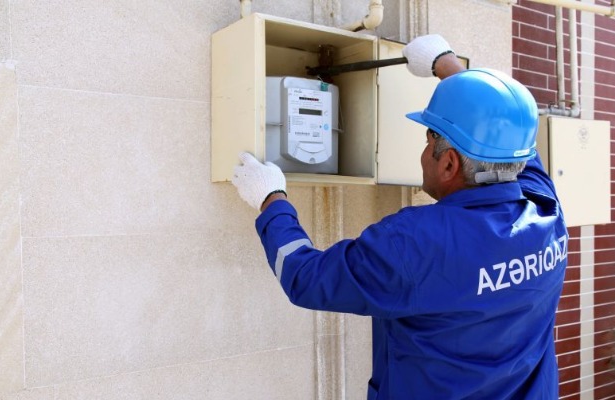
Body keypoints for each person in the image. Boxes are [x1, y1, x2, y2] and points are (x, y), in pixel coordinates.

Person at [232, 34, 568, 399]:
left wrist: (271, 200)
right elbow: (510, 137)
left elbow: (306, 278)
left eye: (428, 140)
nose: (424, 151)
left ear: (449, 163)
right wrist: (446, 64)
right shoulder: (545, 211)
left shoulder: (415, 243)